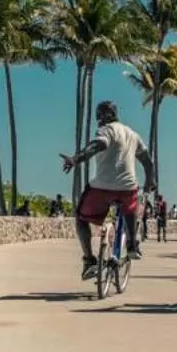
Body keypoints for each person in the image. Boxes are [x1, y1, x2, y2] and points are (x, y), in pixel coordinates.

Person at [60, 100, 154, 282]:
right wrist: (150, 181)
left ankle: (89, 260)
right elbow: (147, 161)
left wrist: (75, 159)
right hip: (127, 188)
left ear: (103, 117)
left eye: (99, 118)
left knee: (81, 219)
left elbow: (98, 146)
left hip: (102, 188)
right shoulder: (132, 134)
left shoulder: (107, 130)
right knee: (130, 207)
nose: (99, 122)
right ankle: (133, 245)